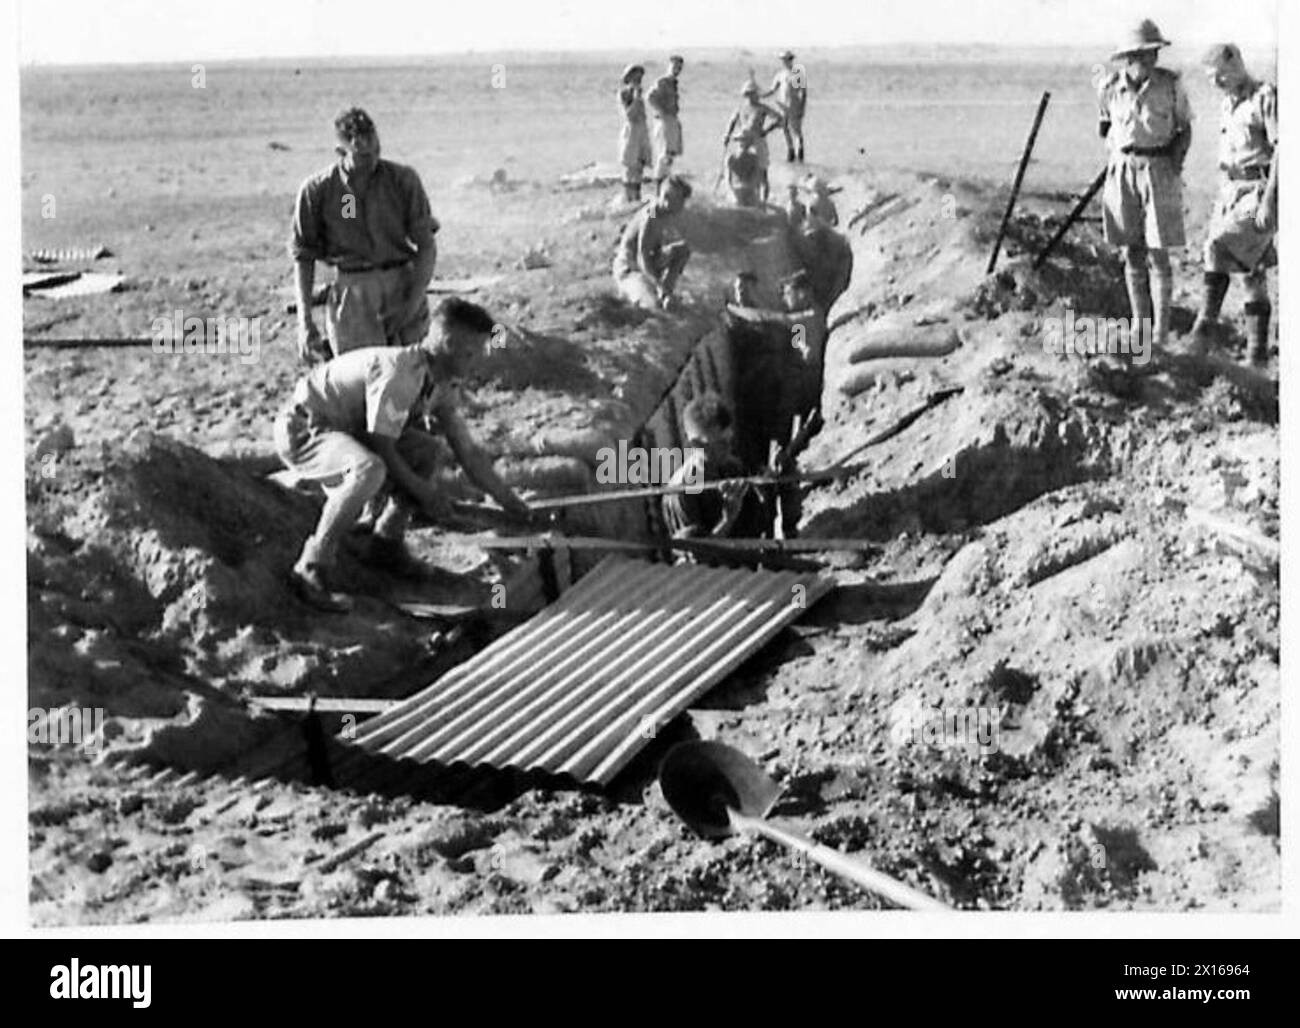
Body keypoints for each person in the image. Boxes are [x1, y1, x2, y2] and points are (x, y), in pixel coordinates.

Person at [274, 298, 529, 611]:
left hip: (345, 431)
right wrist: (425, 493)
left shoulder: (440, 383)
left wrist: (511, 503)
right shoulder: (400, 375)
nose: (477, 361)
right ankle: (312, 566)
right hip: (305, 430)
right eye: (472, 352)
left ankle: (386, 544)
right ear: (449, 344)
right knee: (369, 470)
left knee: (427, 450)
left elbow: (468, 453)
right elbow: (381, 445)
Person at [290, 107, 438, 363]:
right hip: (354, 297)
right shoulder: (318, 191)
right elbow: (303, 258)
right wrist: (304, 322)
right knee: (363, 379)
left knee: (415, 377)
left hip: (401, 286)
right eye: (361, 155)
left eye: (375, 150)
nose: (371, 160)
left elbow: (426, 245)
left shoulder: (402, 180)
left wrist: (413, 302)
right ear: (341, 152)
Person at [1096, 19, 1193, 352]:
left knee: (1159, 252)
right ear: (1127, 58)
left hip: (1159, 168)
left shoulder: (1170, 86)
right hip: (1123, 170)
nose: (1150, 59)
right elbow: (1105, 127)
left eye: (1153, 52)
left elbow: (1185, 130)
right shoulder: (1110, 87)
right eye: (1142, 53)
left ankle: (1161, 335)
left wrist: (1173, 165)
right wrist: (1118, 160)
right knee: (1131, 251)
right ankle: (1140, 328)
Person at [1190, 43, 1277, 367]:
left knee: (1217, 248)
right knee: (1251, 273)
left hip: (1259, 189)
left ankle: (1202, 333)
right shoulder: (1229, 104)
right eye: (1211, 78)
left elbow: (1283, 149)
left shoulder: (1265, 97)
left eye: (1220, 76)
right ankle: (1257, 357)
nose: (1216, 84)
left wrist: (1269, 199)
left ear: (1237, 63)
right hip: (1231, 190)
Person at [662, 394, 770, 546]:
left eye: (729, 440)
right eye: (720, 443)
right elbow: (696, 557)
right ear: (697, 445)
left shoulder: (732, 467)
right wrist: (727, 519)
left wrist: (766, 487)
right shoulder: (681, 492)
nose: (729, 447)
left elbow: (756, 522)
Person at [612, 174, 693, 310]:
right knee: (651, 306)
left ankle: (667, 293)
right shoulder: (651, 215)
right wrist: (657, 284)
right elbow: (641, 257)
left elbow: (657, 249)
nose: (683, 205)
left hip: (647, 264)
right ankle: (655, 294)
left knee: (682, 250)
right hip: (630, 269)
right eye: (680, 200)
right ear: (667, 198)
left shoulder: (663, 214)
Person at [724, 81, 784, 204]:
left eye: (753, 94)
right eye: (749, 94)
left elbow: (780, 119)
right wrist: (727, 135)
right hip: (742, 140)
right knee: (737, 168)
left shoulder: (762, 108)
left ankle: (762, 200)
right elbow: (732, 121)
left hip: (757, 139)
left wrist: (767, 130)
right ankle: (739, 196)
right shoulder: (740, 108)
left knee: (762, 171)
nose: (751, 96)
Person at [763, 49, 808, 163]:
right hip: (783, 106)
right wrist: (760, 95)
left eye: (786, 59)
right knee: (785, 129)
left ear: (791, 60)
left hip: (794, 106)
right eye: (783, 60)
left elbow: (803, 92)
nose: (784, 62)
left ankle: (800, 154)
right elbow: (772, 89)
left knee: (796, 131)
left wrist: (802, 107)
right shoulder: (780, 75)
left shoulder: (797, 72)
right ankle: (791, 151)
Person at [617, 64, 653, 202]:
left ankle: (638, 201)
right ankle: (628, 200)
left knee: (639, 170)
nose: (639, 79)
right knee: (629, 171)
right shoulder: (624, 94)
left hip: (641, 134)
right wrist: (636, 98)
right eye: (636, 76)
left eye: (640, 77)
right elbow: (629, 115)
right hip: (631, 135)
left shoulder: (640, 95)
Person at [647, 55, 685, 184]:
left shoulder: (673, 83)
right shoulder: (663, 82)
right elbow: (650, 97)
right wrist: (661, 111)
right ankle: (659, 182)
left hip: (671, 119)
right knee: (665, 154)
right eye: (675, 66)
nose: (677, 70)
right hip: (664, 120)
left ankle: (664, 182)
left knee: (671, 154)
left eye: (679, 67)